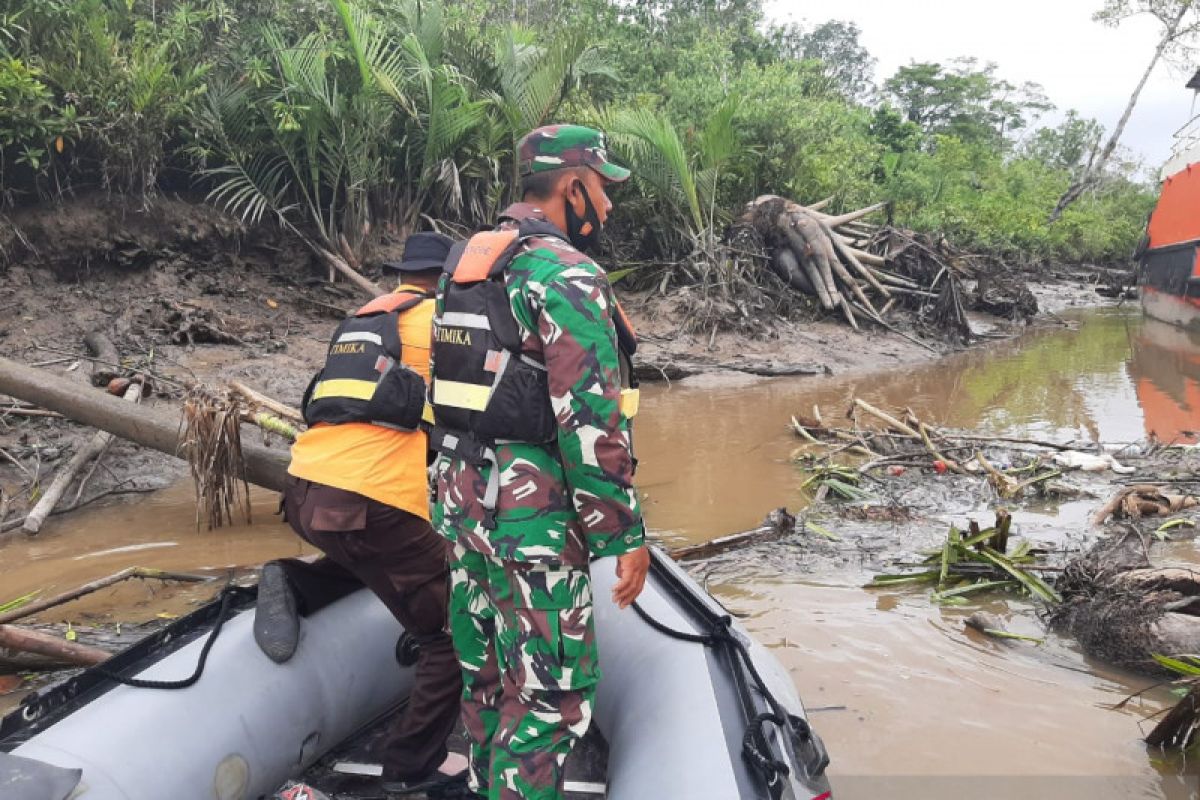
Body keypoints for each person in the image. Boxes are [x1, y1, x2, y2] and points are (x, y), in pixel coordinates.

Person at [427, 124, 650, 800]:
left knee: (488, 682)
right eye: (603, 190)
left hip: (464, 511)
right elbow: (591, 421)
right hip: (533, 524)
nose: (608, 207)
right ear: (573, 185)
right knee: (552, 698)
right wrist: (625, 535)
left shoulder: (469, 260)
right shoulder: (567, 274)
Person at [254, 232, 465, 795]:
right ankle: (411, 767)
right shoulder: (445, 324)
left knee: (373, 553)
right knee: (453, 635)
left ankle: (295, 580)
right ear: (447, 277)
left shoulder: (364, 324)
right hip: (367, 501)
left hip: (305, 489)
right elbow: (473, 417)